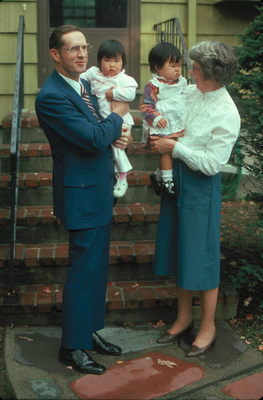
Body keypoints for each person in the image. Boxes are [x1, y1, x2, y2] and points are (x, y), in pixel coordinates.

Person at [35, 25, 130, 374]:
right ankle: (71, 346)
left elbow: (101, 133)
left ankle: (88, 333)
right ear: (55, 54)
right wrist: (118, 115)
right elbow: (92, 138)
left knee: (95, 270)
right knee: (82, 272)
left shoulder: (85, 85)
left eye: (84, 47)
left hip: (98, 190)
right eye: (72, 49)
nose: (81, 54)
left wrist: (115, 136)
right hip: (82, 197)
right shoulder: (52, 96)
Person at [150, 40, 241, 356]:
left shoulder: (226, 112)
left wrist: (174, 147)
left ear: (214, 74)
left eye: (196, 68)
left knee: (201, 255)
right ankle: (184, 317)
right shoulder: (192, 91)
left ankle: (207, 326)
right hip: (176, 178)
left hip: (202, 186)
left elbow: (213, 164)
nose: (190, 72)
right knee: (180, 249)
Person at [81, 39, 138, 198]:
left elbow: (131, 94)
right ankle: (117, 175)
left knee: (118, 147)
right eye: (107, 60)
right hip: (104, 121)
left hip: (122, 120)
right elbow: (80, 77)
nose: (112, 65)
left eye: (116, 61)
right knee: (112, 147)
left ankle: (122, 176)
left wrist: (113, 94)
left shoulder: (125, 80)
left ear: (123, 62)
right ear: (99, 61)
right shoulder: (93, 73)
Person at [140, 42, 187, 196]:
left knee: (174, 150)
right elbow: (146, 107)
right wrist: (155, 118)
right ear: (157, 67)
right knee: (166, 151)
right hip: (162, 125)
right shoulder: (154, 86)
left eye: (179, 65)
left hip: (178, 122)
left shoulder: (182, 83)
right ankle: (167, 181)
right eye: (173, 66)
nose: (177, 69)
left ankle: (158, 175)